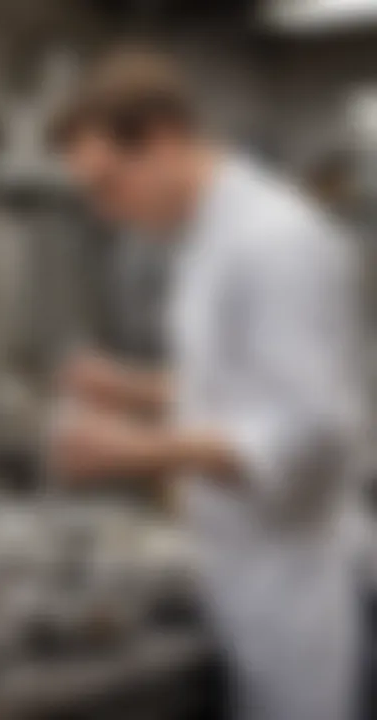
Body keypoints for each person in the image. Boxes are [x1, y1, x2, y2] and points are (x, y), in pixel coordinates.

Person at [46, 49, 367, 720]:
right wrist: (134, 388)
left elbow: (307, 431)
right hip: (235, 568)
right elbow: (234, 382)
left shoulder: (275, 240)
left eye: (108, 184)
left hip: (290, 587)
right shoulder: (208, 240)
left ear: (162, 140)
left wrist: (130, 452)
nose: (106, 211)